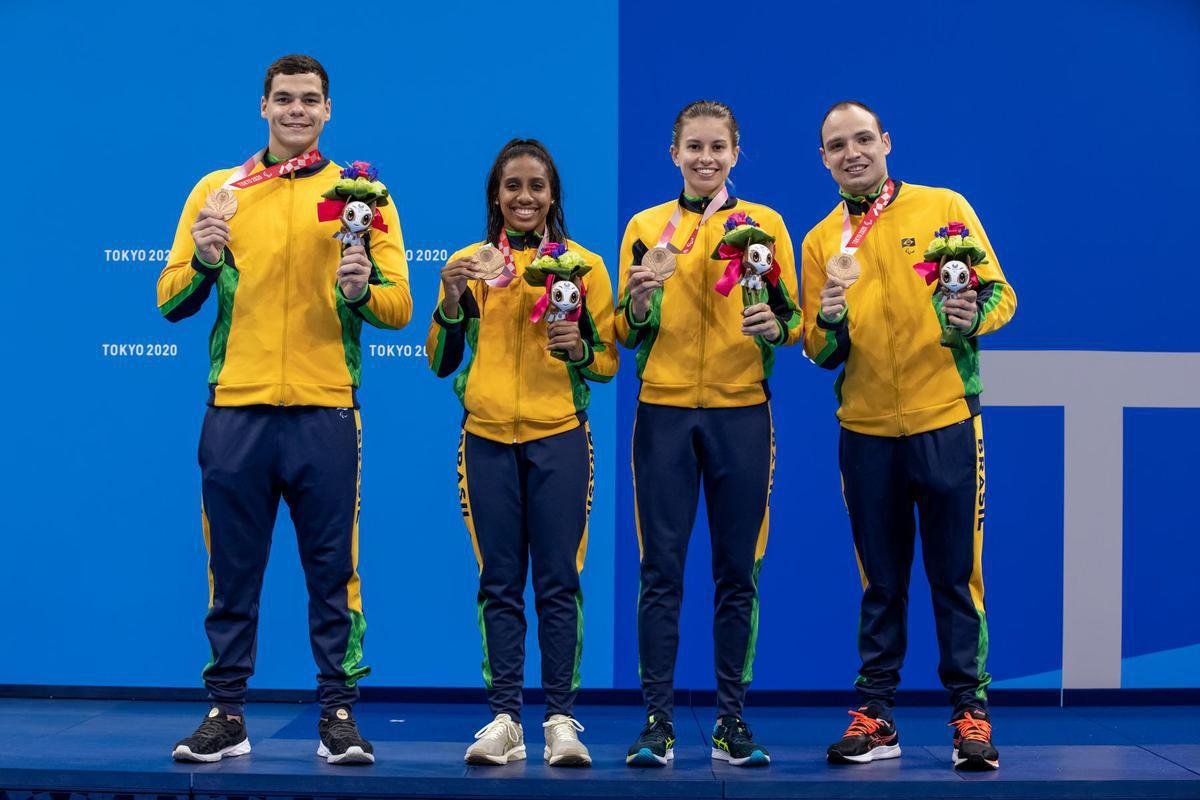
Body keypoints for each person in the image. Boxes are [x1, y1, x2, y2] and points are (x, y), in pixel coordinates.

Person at [157, 54, 411, 766]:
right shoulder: (220, 190)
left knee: (334, 571)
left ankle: (338, 714)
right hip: (234, 409)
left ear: (329, 110)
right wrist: (206, 258)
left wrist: (361, 290)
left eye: (310, 100)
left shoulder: (364, 194)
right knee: (231, 571)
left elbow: (399, 307)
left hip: (326, 408)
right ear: (262, 106)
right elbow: (171, 299)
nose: (296, 110)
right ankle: (227, 713)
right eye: (284, 99)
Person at [800, 100, 1016, 771]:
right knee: (881, 582)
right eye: (838, 145)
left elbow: (1002, 296)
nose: (853, 152)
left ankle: (970, 716)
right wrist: (829, 319)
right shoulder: (818, 241)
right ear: (824, 159)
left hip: (946, 419)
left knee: (956, 577)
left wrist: (967, 314)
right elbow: (816, 348)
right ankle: (876, 716)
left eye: (863, 138)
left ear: (886, 142)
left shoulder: (944, 207)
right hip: (864, 433)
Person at [616, 100, 801, 768]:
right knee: (660, 572)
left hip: (742, 411)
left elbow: (795, 320)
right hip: (663, 412)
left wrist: (777, 330)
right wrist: (638, 299)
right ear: (674, 153)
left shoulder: (766, 225)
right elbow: (624, 330)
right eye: (693, 147)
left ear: (735, 153)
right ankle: (657, 723)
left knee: (737, 572)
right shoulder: (644, 226)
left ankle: (731, 721)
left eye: (717, 147)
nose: (704, 158)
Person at [427, 138, 617, 768]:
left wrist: (579, 350)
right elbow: (439, 360)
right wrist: (451, 301)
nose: (525, 197)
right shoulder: (470, 264)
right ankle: (505, 719)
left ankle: (561, 719)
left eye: (537, 186)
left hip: (560, 436)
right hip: (484, 441)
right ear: (496, 195)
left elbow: (610, 362)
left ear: (552, 194)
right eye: (513, 186)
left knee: (558, 581)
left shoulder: (584, 267)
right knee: (499, 582)